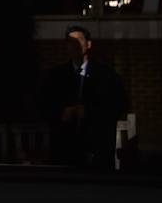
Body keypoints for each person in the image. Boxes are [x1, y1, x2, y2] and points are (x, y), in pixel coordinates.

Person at [40, 25, 126, 170]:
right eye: (70, 41)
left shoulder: (106, 75)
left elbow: (117, 104)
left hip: (97, 149)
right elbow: (44, 104)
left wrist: (89, 111)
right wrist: (62, 112)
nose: (74, 45)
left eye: (79, 40)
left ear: (88, 44)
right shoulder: (55, 76)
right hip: (65, 150)